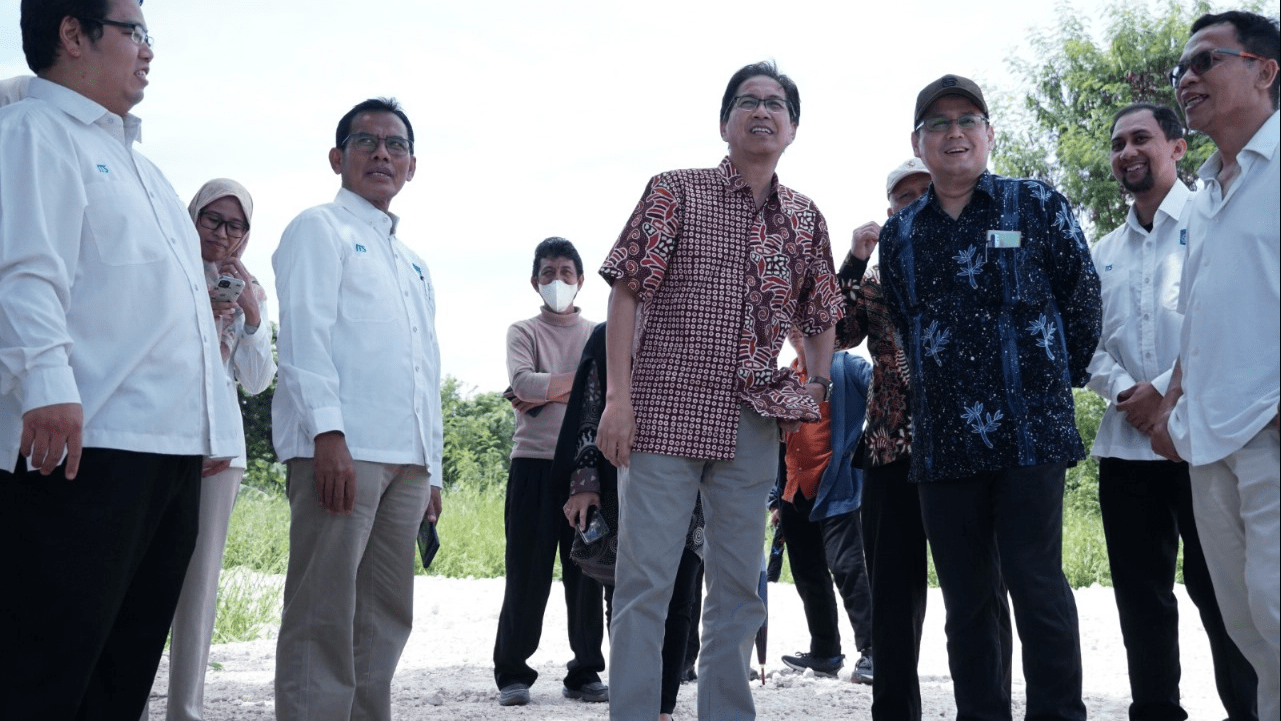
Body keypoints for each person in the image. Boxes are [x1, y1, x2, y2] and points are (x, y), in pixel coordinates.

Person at [0, 1, 243, 717]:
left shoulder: (149, 173)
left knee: (122, 674)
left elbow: (183, 313)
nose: (148, 50)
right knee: (45, 671)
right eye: (133, 31)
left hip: (169, 454)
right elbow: (24, 271)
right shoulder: (34, 131)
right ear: (72, 34)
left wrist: (210, 429)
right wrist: (46, 383)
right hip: (82, 445)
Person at [597, 61, 844, 721]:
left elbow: (821, 313)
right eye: (747, 101)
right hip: (662, 411)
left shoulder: (804, 217)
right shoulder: (674, 190)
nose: (762, 111)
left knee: (739, 588)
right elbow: (625, 292)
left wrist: (816, 383)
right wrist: (617, 400)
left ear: (792, 128)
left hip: (752, 422)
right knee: (645, 583)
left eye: (775, 104)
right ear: (724, 122)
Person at [879, 74, 1101, 721]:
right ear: (917, 143)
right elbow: (904, 321)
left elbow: (1083, 298)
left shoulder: (1035, 203)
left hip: (1031, 438)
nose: (954, 133)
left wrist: (1049, 383)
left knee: (1037, 587)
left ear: (989, 134)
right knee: (967, 602)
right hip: (943, 444)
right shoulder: (900, 235)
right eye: (938, 123)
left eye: (967, 120)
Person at [271, 97, 442, 721]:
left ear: (412, 166)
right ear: (337, 157)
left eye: (396, 145)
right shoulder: (318, 228)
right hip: (343, 450)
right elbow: (305, 338)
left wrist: (433, 470)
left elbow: (425, 366)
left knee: (383, 618)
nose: (381, 153)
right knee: (322, 612)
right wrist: (328, 434)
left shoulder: (414, 262)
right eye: (366, 141)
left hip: (406, 460)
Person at [1088, 103, 1258, 721]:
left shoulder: (1213, 222)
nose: (1127, 152)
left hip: (1200, 442)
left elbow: (1225, 317)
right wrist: (1127, 394)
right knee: (1141, 600)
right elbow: (1085, 341)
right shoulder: (1102, 251)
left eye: (1141, 138)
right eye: (1117, 144)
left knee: (1222, 594)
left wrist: (1165, 390)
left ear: (1178, 147)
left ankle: (1249, 711)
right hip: (1125, 449)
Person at [838, 158, 1014, 720]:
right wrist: (855, 258)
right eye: (903, 197)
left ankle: (987, 709)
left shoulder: (974, 256)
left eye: (924, 191)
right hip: (890, 446)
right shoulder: (873, 280)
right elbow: (835, 332)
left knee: (980, 589)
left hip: (965, 444)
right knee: (891, 592)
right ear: (889, 211)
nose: (914, 202)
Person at [1152, 11, 1280, 720]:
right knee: (1250, 631)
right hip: (1208, 444)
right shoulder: (1204, 195)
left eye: (1206, 61)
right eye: (1182, 68)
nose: (1186, 77)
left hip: (1270, 431)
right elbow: (1201, 316)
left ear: (1264, 71)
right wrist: (1173, 406)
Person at [141, 180, 278, 721]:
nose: (222, 233)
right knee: (139, 575)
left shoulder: (250, 289)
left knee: (198, 585)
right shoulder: (165, 271)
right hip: (160, 439)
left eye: (235, 224)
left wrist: (251, 317)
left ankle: (187, 709)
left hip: (221, 449)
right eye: (211, 219)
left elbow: (257, 380)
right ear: (190, 216)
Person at [553, 322, 705, 721]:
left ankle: (663, 708)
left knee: (682, 594)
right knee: (625, 595)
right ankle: (633, 704)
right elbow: (589, 407)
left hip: (692, 474)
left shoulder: (696, 321)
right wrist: (584, 481)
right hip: (620, 475)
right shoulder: (608, 334)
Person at [493, 237, 607, 707]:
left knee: (588, 573)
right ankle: (513, 672)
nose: (556, 280)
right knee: (527, 570)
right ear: (534, 281)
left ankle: (585, 672)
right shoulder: (523, 331)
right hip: (533, 465)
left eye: (565, 272)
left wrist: (546, 391)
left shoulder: (599, 333)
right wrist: (583, 384)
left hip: (587, 467)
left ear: (580, 280)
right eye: (547, 273)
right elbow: (522, 382)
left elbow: (611, 387)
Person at [771, 335, 874, 684]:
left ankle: (874, 652)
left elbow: (883, 394)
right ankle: (825, 652)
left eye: (807, 324)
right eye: (793, 324)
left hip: (836, 489)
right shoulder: (787, 375)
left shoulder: (847, 366)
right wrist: (776, 498)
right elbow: (781, 443)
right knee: (808, 575)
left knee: (849, 570)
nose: (798, 330)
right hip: (794, 491)